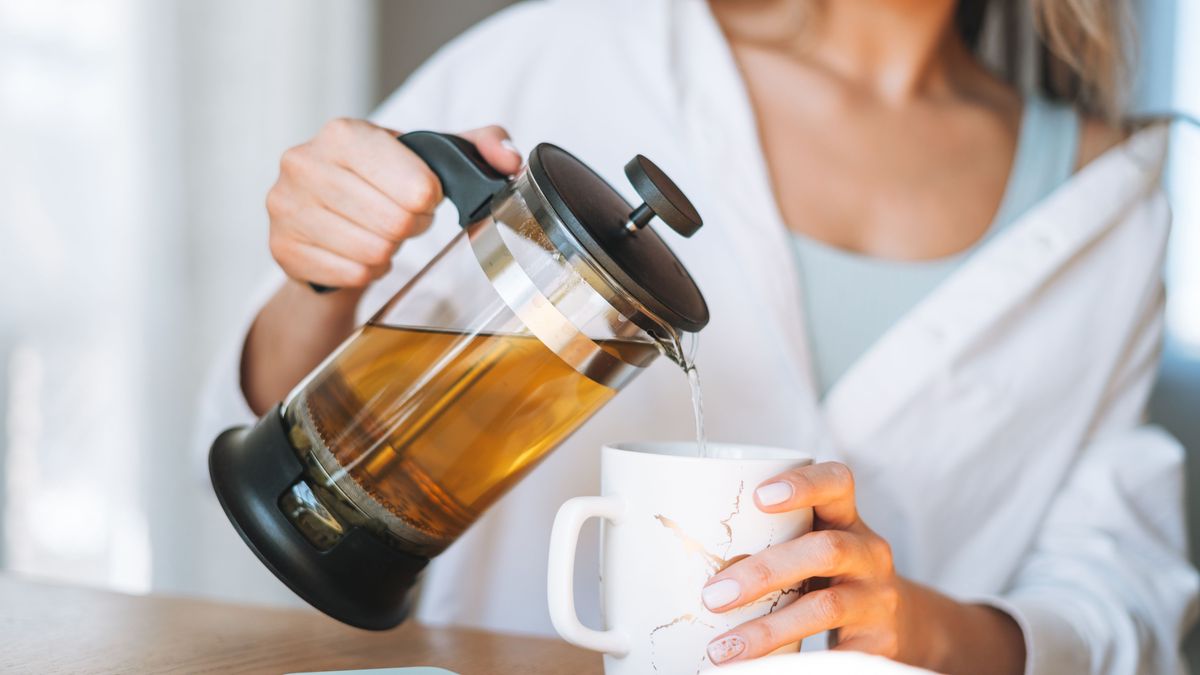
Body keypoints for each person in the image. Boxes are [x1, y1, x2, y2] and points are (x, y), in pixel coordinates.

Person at [197, 0, 1199, 672]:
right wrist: (321, 275)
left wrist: (913, 625)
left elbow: (1125, 599)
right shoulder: (586, 45)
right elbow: (263, 435)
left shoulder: (1110, 202)